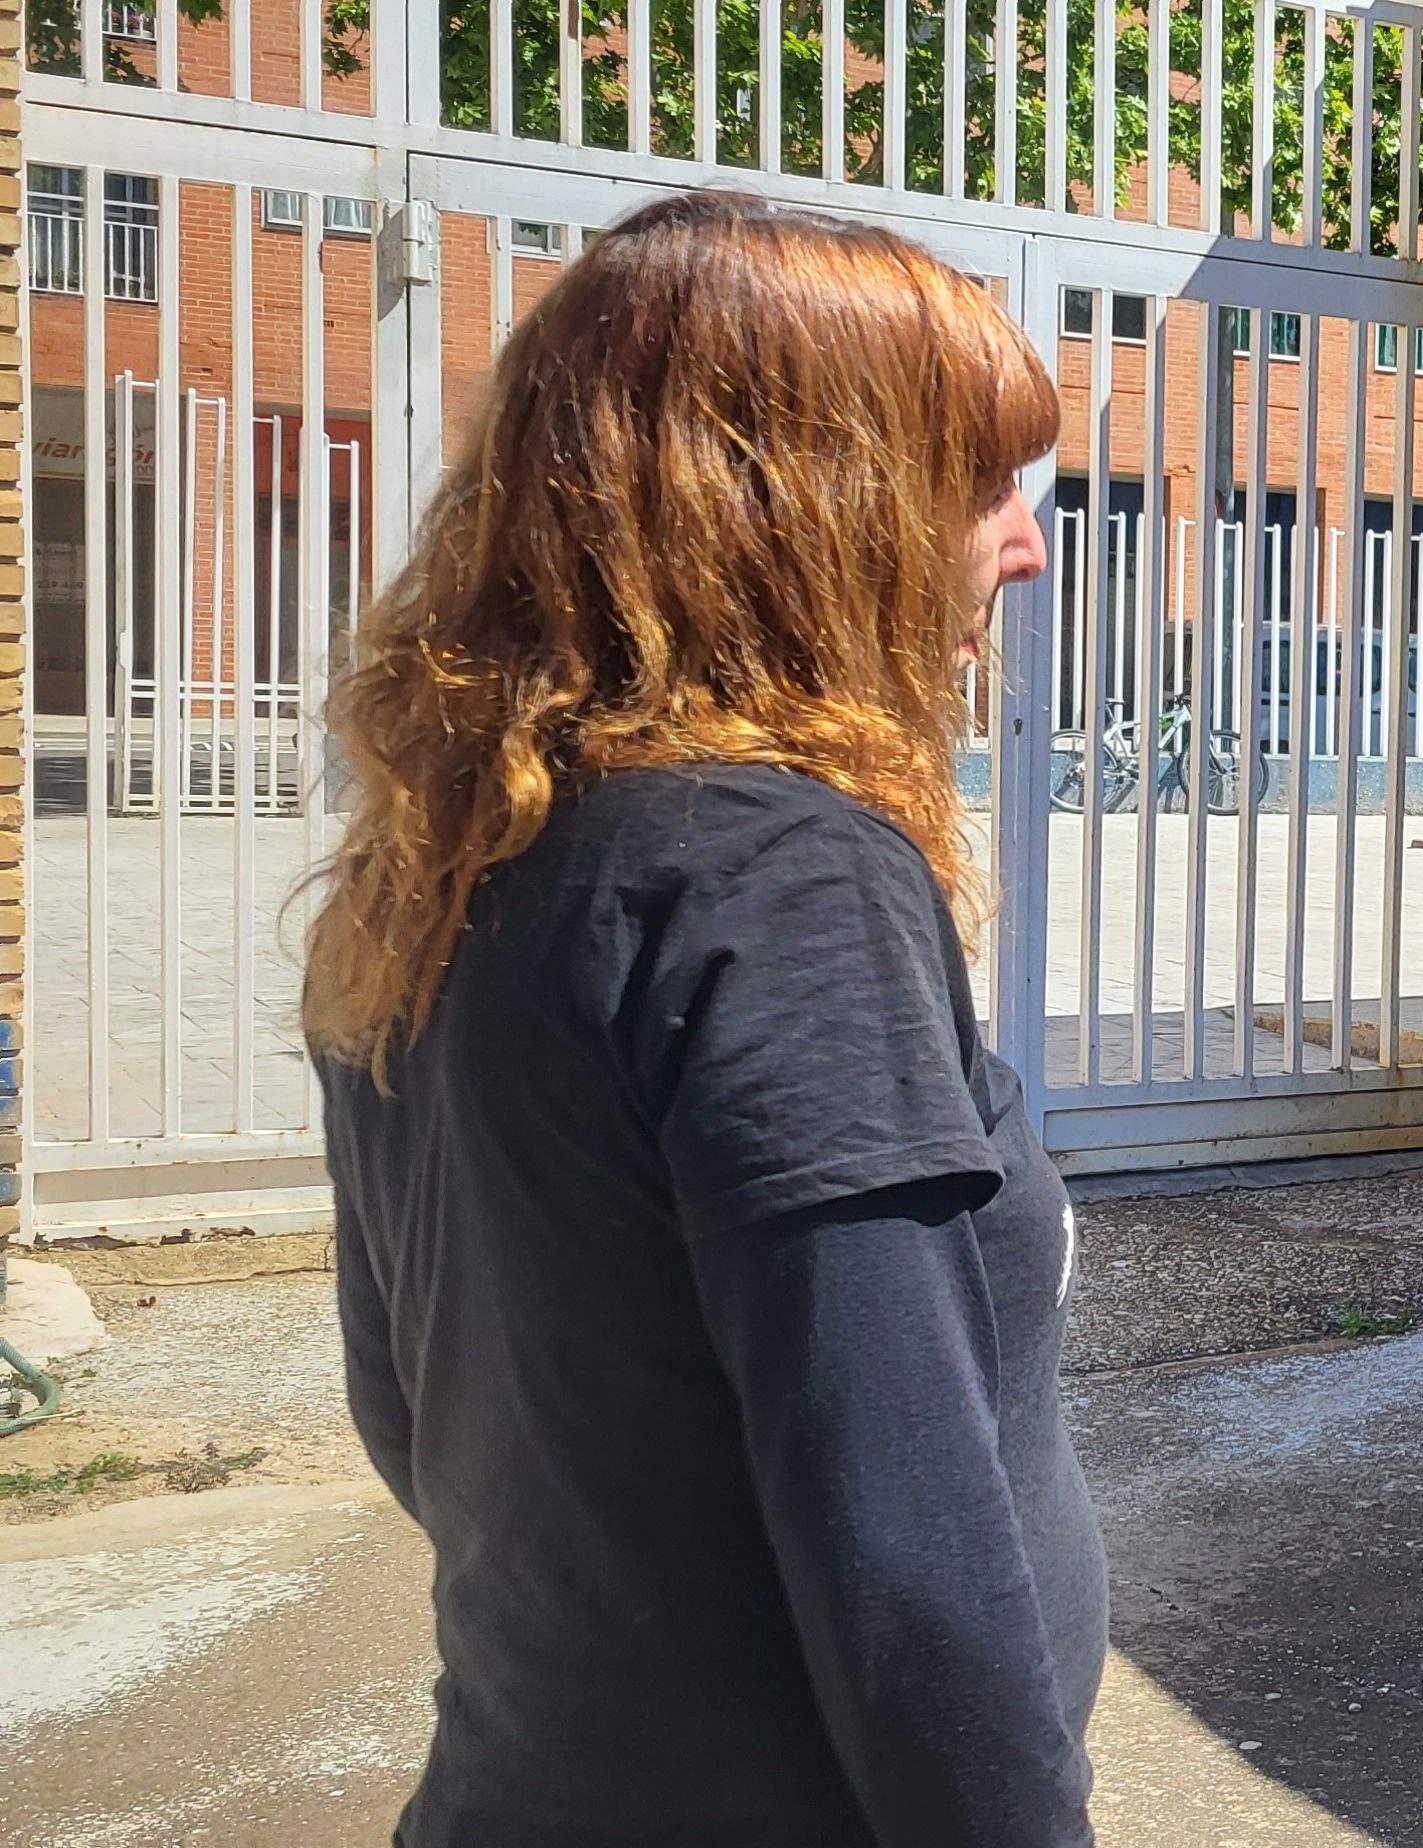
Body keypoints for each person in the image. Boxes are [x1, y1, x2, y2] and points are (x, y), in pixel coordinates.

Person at [301, 195, 1102, 1845]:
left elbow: (417, 1411)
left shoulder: (460, 848)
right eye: (978, 481)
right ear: (799, 500)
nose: (1025, 539)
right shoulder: (780, 872)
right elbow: (914, 1568)